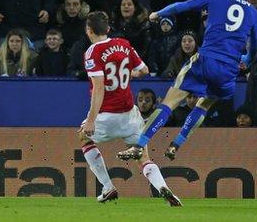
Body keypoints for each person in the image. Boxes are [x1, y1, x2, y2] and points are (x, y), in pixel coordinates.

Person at [117, 0, 257, 161]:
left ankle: (140, 145)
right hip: (229, 70)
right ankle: (176, 144)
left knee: (171, 101)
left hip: (206, 59)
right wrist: (247, 60)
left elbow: (181, 6)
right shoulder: (253, 12)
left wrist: (158, 14)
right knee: (204, 105)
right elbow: (255, 44)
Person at [78, 11, 182, 206]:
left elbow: (99, 87)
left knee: (83, 137)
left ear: (89, 30)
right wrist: (126, 74)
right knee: (143, 155)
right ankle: (162, 187)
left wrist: (91, 119)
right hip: (130, 114)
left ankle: (108, 187)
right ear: (108, 29)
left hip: (107, 114)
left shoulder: (93, 52)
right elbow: (144, 71)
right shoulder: (123, 44)